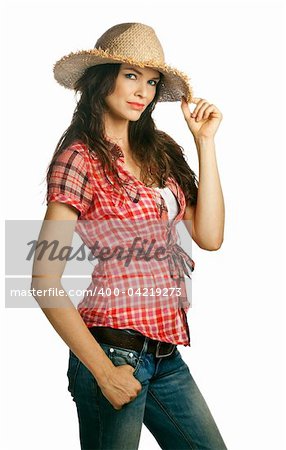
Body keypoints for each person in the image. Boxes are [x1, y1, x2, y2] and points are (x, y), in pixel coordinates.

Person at [31, 22, 227, 450]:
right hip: (111, 351)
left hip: (164, 356)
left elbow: (210, 236)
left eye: (152, 81)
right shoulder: (79, 159)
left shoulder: (159, 151)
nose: (143, 91)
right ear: (104, 78)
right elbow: (44, 281)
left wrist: (205, 145)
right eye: (131, 76)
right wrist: (103, 372)